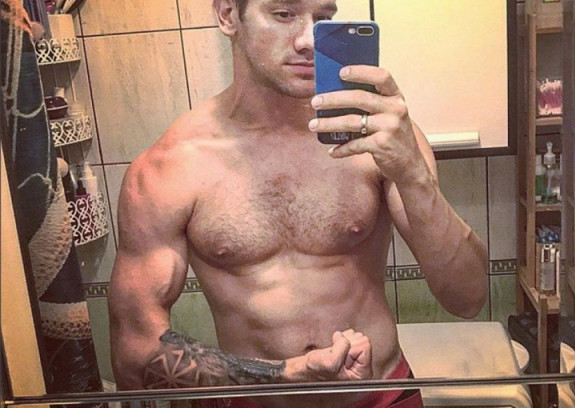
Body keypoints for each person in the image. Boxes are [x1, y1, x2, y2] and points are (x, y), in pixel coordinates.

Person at [108, 0, 488, 407]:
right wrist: (283, 374)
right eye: (284, 13)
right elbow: (133, 354)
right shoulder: (170, 167)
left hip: (381, 395)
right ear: (228, 15)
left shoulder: (377, 140)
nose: (309, 40)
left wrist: (413, 175)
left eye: (323, 19)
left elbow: (468, 298)